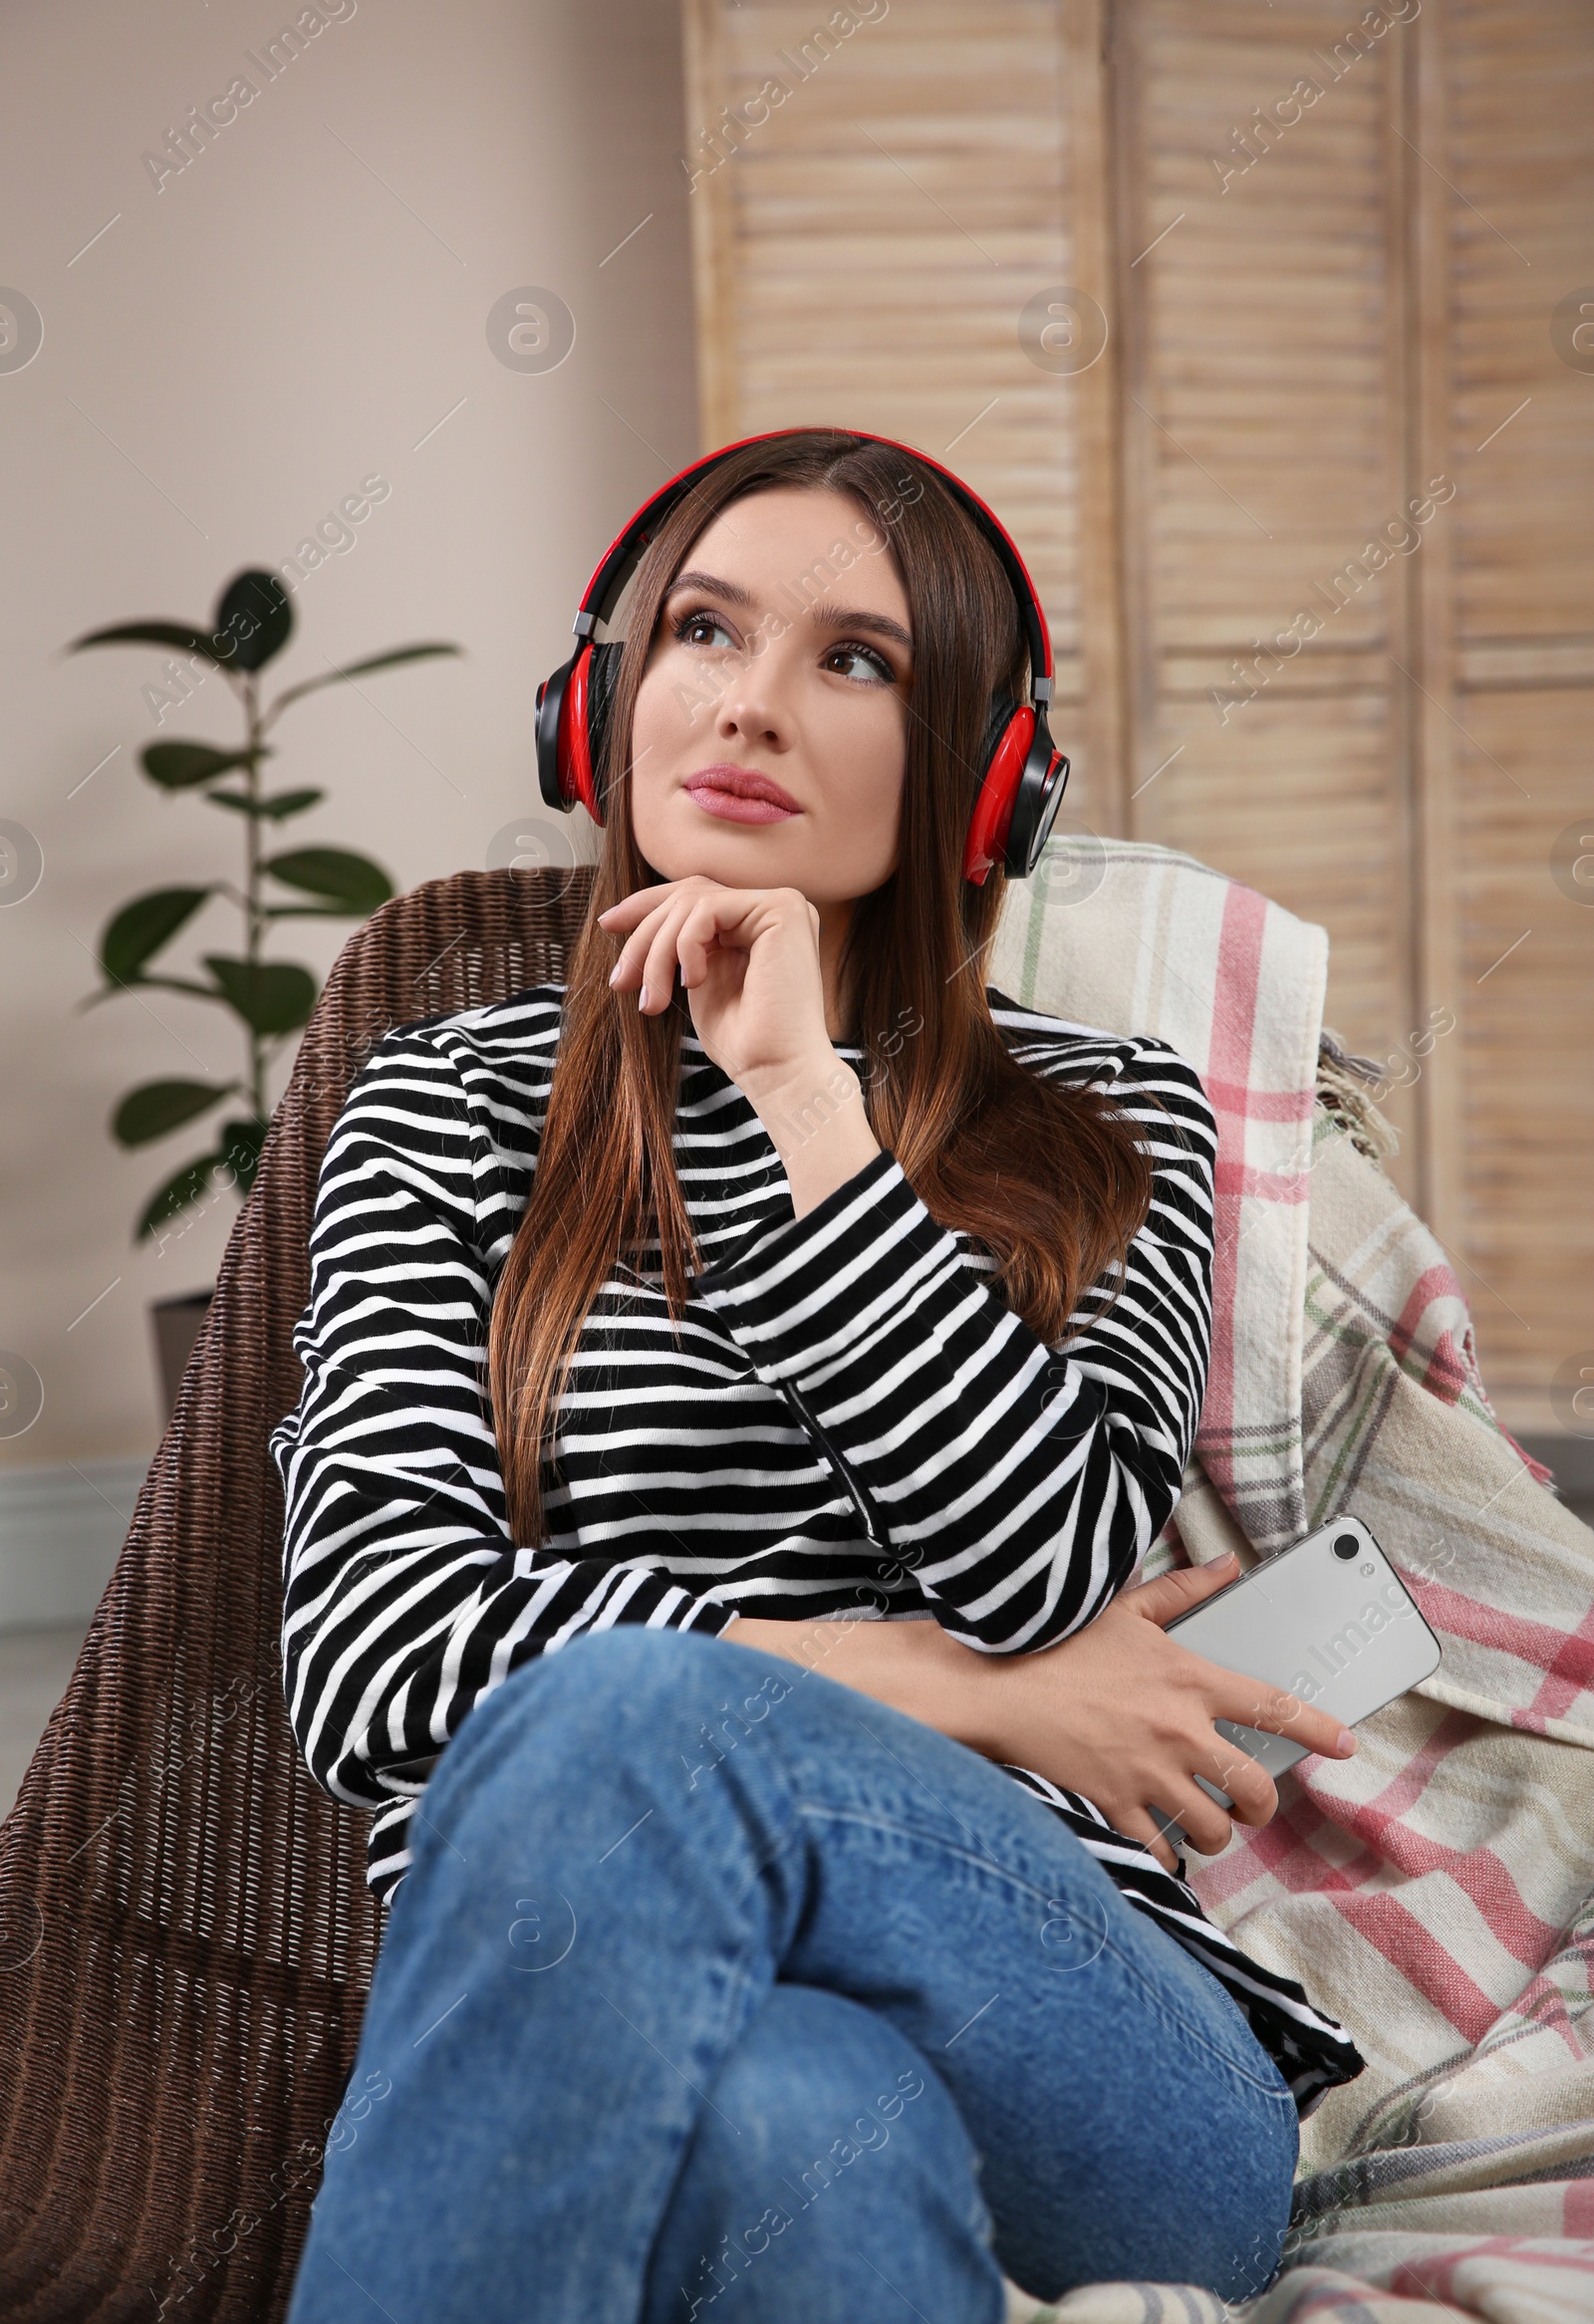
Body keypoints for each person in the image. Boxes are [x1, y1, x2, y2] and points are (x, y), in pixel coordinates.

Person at [272, 430, 1366, 2324]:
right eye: (705, 630)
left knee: (619, 1717)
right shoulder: (440, 1110)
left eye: (857, 660)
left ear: (981, 780)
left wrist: (804, 1103)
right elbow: (372, 1653)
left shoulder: (1113, 1119)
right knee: (792, 2112)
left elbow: (1043, 1565)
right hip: (619, 2034)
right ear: (604, 707)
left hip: (1095, 2052)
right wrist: (962, 1689)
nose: (754, 706)